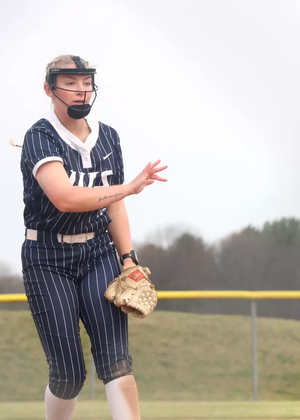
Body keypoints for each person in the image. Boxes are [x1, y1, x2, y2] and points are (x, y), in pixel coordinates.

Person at [20, 54, 167, 420]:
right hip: (47, 257)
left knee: (117, 361)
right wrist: (129, 187)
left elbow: (114, 206)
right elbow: (66, 197)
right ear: (49, 89)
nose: (80, 90)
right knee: (69, 375)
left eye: (85, 83)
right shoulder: (40, 136)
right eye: (70, 83)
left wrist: (128, 257)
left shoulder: (108, 137)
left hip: (98, 250)